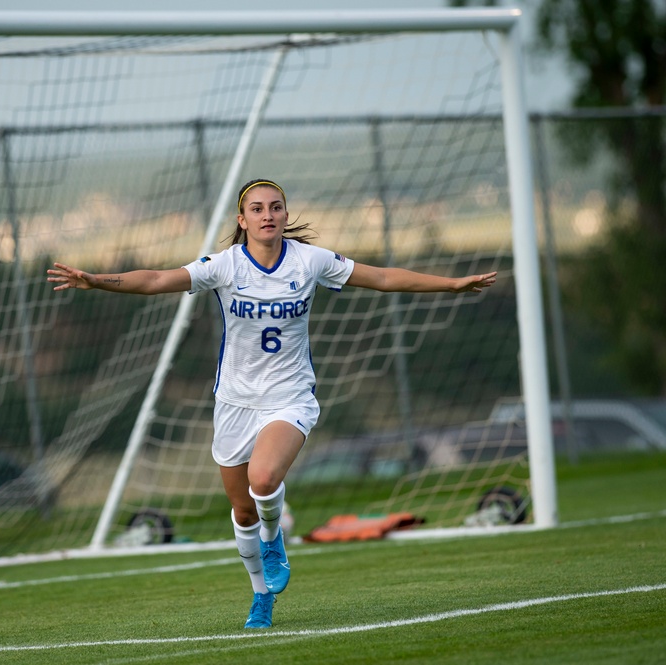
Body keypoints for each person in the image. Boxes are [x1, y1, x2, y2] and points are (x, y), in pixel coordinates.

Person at [47, 179, 497, 629]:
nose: (267, 215)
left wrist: (451, 285)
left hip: (290, 396)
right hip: (235, 404)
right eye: (257, 209)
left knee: (263, 479)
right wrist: (95, 281)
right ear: (242, 221)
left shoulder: (310, 260)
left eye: (276, 207)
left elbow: (380, 277)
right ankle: (261, 595)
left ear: (285, 215)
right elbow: (158, 280)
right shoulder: (224, 266)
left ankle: (273, 537)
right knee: (241, 510)